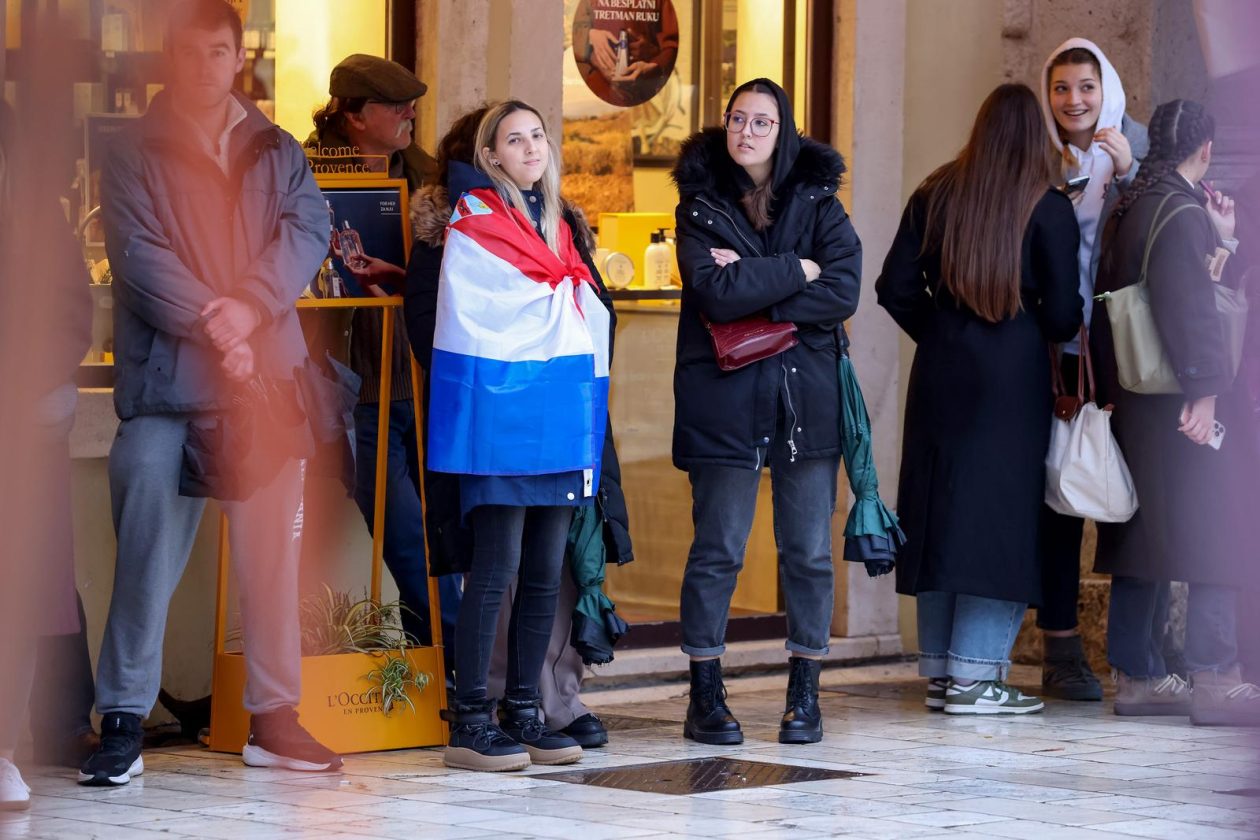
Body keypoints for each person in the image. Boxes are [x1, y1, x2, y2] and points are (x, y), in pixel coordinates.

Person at [79, 0, 341, 786]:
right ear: (171, 59)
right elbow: (138, 254)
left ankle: (274, 721)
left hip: (262, 384)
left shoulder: (277, 147)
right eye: (189, 53)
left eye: (219, 51)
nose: (204, 66)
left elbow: (306, 230)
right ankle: (122, 721)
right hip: (166, 388)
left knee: (272, 559)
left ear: (239, 59)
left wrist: (247, 307)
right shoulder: (130, 151)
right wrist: (215, 318)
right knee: (146, 560)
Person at [405, 107, 633, 752]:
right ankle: (472, 715)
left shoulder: (561, 225)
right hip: (499, 420)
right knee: (495, 566)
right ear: (491, 157)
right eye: (515, 139)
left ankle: (526, 711)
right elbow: (471, 314)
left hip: (559, 412)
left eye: (538, 135)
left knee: (542, 569)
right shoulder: (472, 225)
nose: (531, 146)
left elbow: (589, 312)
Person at [877, 83, 1082, 715]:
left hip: (941, 369)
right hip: (1011, 378)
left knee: (941, 509)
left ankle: (942, 671)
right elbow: (1065, 316)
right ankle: (974, 679)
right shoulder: (1048, 206)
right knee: (999, 519)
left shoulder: (936, 191)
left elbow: (894, 287)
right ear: (1033, 137)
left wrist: (943, 331)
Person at [671, 78, 861, 745]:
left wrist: (764, 281)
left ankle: (805, 693)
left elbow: (843, 290)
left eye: (762, 122)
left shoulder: (820, 204)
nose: (746, 131)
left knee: (808, 552)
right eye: (737, 119)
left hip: (803, 401)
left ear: (785, 133)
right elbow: (715, 295)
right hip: (723, 400)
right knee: (717, 549)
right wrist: (796, 270)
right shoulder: (697, 208)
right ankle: (705, 695)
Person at [1090, 99, 1260, 725]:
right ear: (1205, 148)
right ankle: (1216, 675)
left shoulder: (1131, 205)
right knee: (1219, 522)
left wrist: (1223, 240)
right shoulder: (1180, 212)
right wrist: (1207, 391)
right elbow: (1192, 310)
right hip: (1180, 402)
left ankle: (1139, 675)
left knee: (1144, 534)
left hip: (1135, 398)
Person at [306, 54, 460, 673]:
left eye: (412, 103)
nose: (410, 113)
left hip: (425, 383)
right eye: (394, 105)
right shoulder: (303, 172)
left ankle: (447, 670)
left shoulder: (430, 176)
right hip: (352, 388)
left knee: (444, 535)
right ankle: (452, 668)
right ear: (351, 114)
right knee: (403, 537)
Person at [1036, 38, 1150, 702]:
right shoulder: (1037, 157)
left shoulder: (1131, 154)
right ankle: (1061, 649)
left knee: (1128, 499)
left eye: (1085, 86)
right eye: (1060, 88)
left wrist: (1130, 173)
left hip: (1120, 354)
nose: (1074, 100)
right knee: (1055, 503)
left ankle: (1134, 659)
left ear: (1105, 86)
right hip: (1055, 355)